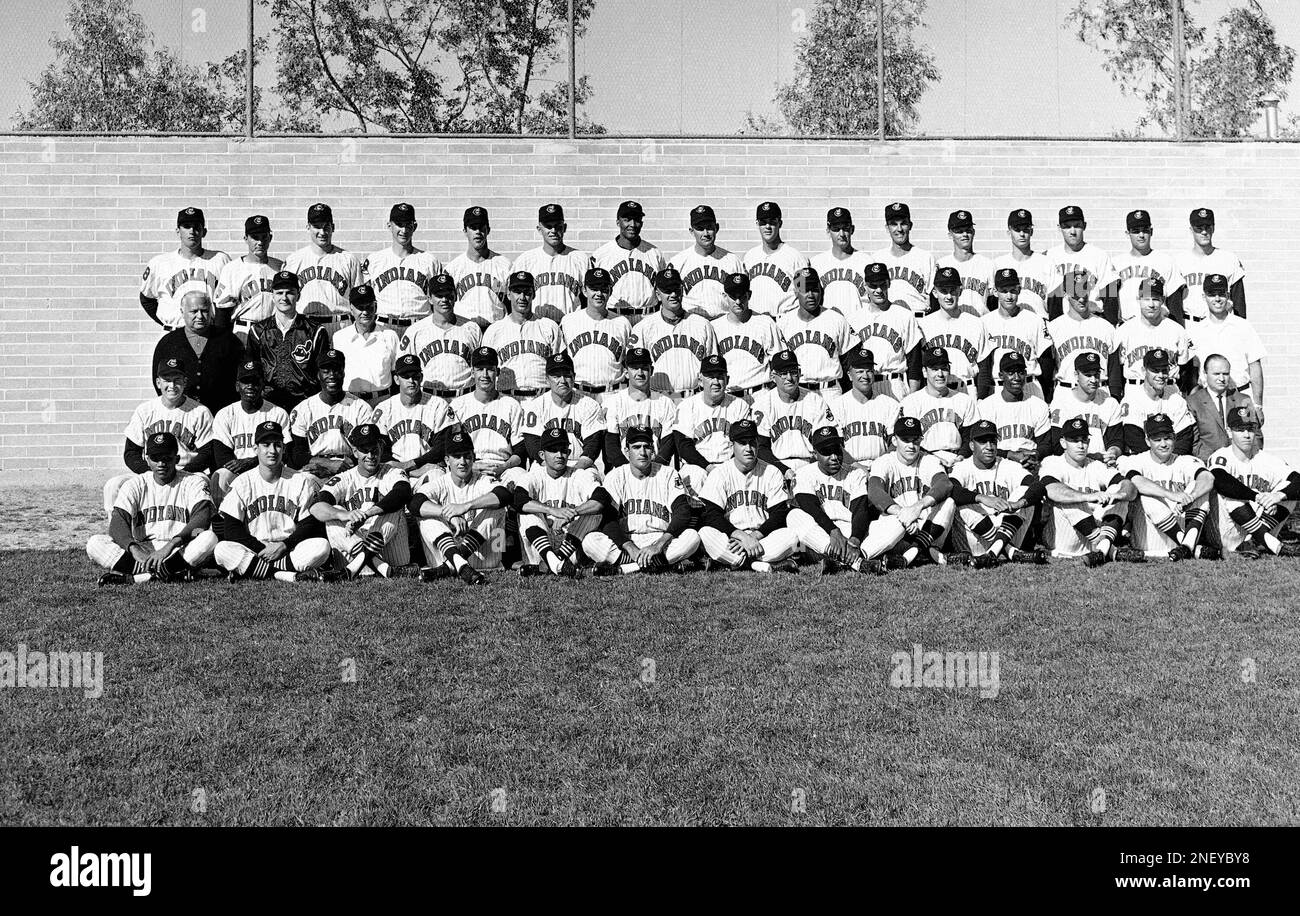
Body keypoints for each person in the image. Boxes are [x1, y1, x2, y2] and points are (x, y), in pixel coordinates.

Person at [88, 432, 218, 586]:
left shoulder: (193, 481)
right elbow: (117, 524)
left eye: (166, 458)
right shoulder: (135, 484)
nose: (161, 463)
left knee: (209, 538)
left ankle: (135, 577)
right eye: (156, 458)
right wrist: (134, 549)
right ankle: (173, 573)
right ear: (147, 460)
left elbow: (202, 518)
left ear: (176, 459)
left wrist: (170, 546)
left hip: (178, 550)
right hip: (143, 551)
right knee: (94, 543)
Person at [212, 421, 333, 582]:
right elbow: (231, 529)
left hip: (289, 547)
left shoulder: (300, 480)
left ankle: (253, 570)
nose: (272, 450)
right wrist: (264, 549)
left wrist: (283, 546)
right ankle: (285, 574)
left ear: (283, 448)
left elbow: (309, 524)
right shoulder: (242, 482)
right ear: (256, 449)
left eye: (277, 445)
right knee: (222, 549)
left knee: (321, 546)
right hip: (256, 549)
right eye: (266, 445)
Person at [582, 426, 702, 575]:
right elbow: (608, 519)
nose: (642, 452)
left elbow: (682, 512)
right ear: (627, 452)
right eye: (636, 447)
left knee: (692, 537)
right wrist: (630, 547)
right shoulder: (616, 476)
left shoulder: (668, 473)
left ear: (653, 451)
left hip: (660, 539)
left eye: (647, 447)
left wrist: (658, 546)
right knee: (590, 541)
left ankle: (623, 569)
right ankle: (660, 565)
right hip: (626, 541)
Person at [104, 358, 214, 515]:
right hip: (152, 471)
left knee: (202, 482)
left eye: (177, 380)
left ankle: (196, 532)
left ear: (185, 382)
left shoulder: (199, 412)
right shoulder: (145, 410)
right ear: (158, 382)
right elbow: (131, 453)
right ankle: (117, 530)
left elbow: (208, 453)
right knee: (113, 485)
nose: (172, 386)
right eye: (167, 380)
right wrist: (148, 472)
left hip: (187, 472)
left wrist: (182, 472)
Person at [787, 426, 901, 575]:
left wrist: (854, 540)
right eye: (826, 452)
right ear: (815, 454)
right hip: (821, 533)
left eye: (836, 450)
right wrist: (833, 531)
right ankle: (857, 563)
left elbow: (860, 509)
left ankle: (847, 559)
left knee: (898, 521)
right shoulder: (803, 473)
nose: (834, 457)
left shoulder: (855, 473)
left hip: (851, 530)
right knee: (794, 516)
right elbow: (811, 508)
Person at [309, 423, 414, 579]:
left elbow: (403, 493)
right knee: (333, 511)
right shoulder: (344, 478)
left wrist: (367, 514)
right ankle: (381, 567)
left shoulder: (393, 472)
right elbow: (316, 507)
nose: (370, 456)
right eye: (365, 450)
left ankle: (354, 569)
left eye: (374, 449)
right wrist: (344, 515)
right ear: (355, 451)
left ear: (381, 447)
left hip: (389, 550)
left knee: (394, 507)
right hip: (353, 547)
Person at [697, 419, 800, 573]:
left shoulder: (772, 472)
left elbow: (779, 514)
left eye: (752, 443)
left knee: (791, 536)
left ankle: (733, 562)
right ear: (732, 446)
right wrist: (741, 537)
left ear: (758, 444)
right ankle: (756, 564)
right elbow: (711, 514)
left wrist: (754, 537)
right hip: (731, 537)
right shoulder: (720, 473)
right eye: (742, 443)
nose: (748, 448)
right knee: (705, 533)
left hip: (762, 537)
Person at [409, 431, 513, 583]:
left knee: (496, 508)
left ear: (474, 458)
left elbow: (505, 495)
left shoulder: (483, 481)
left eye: (467, 456)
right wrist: (448, 514)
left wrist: (466, 506)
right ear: (446, 460)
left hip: (486, 560)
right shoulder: (440, 483)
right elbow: (414, 503)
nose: (462, 461)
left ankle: (449, 566)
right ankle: (461, 565)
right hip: (445, 554)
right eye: (456, 456)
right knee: (425, 515)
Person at [1038, 416, 1136, 566]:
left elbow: (1129, 486)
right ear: (1063, 442)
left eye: (1084, 440)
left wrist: (1119, 494)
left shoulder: (1095, 465)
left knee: (1118, 490)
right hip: (1062, 536)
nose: (1080, 445)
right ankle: (1111, 551)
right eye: (1074, 440)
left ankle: (1101, 551)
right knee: (1070, 497)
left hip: (1094, 533)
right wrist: (1089, 497)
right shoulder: (1052, 462)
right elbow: (1052, 490)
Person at [1119, 413, 1216, 561]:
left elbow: (1208, 478)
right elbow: (1136, 481)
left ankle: (1186, 547)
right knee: (1146, 494)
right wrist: (1171, 494)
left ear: (1175, 437)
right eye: (1157, 440)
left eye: (1167, 438)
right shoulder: (1136, 461)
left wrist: (1191, 496)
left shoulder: (1185, 461)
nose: (1163, 444)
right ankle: (1189, 547)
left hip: (1182, 524)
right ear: (1147, 440)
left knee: (1198, 487)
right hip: (1149, 538)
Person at [948, 420, 1046, 566]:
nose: (989, 447)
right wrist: (982, 498)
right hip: (973, 540)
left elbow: (1037, 486)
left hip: (1006, 530)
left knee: (1024, 493)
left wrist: (1018, 504)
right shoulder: (962, 467)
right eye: (982, 441)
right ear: (971, 445)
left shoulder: (1007, 465)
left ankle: (993, 552)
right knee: (958, 502)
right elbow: (951, 489)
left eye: (992, 441)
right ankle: (1010, 551)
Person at [1207, 406, 1300, 559]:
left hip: (1258, 524)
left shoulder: (1266, 458)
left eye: (1250, 429)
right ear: (1229, 432)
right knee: (1231, 494)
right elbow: (1220, 480)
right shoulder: (1222, 455)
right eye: (1240, 429)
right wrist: (1258, 497)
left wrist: (1277, 496)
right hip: (1228, 532)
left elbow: (1297, 480)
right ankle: (1272, 544)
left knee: (1287, 492)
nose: (1246, 435)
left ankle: (1253, 541)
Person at [513, 427, 606, 577]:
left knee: (594, 512)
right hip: (542, 545)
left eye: (563, 450)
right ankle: (554, 562)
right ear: (542, 455)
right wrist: (552, 510)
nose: (559, 455)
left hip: (570, 543)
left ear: (569, 453)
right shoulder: (534, 475)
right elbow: (518, 500)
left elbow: (602, 498)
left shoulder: (579, 475)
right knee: (527, 512)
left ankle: (552, 565)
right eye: (553, 450)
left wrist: (572, 513)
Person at [867, 416, 956, 567]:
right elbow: (874, 492)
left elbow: (944, 484)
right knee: (895, 525)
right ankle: (924, 553)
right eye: (905, 440)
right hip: (895, 525)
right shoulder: (883, 461)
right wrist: (903, 514)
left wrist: (917, 507)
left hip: (925, 528)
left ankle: (914, 551)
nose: (911, 445)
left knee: (949, 503)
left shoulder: (928, 460)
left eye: (915, 440)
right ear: (895, 441)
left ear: (921, 440)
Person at [210, 360, 291, 508]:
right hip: (237, 473)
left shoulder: (277, 413)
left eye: (255, 382)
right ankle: (222, 522)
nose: (250, 386)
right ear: (237, 386)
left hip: (270, 470)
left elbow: (285, 453)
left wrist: (251, 462)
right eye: (245, 381)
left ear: (263, 386)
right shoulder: (225, 414)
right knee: (221, 475)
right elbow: (222, 456)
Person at [245, 270, 331, 411]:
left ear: (298, 295)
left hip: (306, 403)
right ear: (272, 295)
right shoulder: (258, 330)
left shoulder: (315, 331)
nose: (284, 298)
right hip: (269, 404)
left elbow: (322, 371)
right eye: (279, 293)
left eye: (289, 292)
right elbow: (252, 371)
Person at [673, 354, 754, 499]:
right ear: (700, 380)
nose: (716, 382)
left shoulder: (739, 405)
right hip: (697, 466)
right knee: (695, 477)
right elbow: (683, 446)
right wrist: (708, 467)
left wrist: (727, 469)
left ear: (727, 380)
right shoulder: (687, 406)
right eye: (710, 376)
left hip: (729, 465)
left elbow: (744, 443)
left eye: (720, 376)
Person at [287, 348, 375, 479]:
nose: (332, 375)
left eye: (336, 370)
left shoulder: (361, 408)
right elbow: (296, 454)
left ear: (344, 373)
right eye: (326, 371)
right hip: (313, 469)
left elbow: (368, 448)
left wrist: (345, 464)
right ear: (318, 375)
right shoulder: (303, 409)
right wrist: (325, 463)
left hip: (351, 468)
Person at [630, 266, 716, 399]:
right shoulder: (643, 328)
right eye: (667, 291)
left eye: (676, 289)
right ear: (658, 294)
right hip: (657, 398)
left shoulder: (703, 325)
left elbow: (713, 367)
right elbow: (634, 371)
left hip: (694, 397)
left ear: (682, 290)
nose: (673, 295)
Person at [151, 291, 243, 416]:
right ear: (182, 312)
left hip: (220, 415)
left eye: (204, 310)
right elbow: (159, 381)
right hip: (181, 414)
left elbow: (240, 378)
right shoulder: (168, 343)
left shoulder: (229, 341)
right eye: (194, 311)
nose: (200, 316)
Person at [139, 206, 229, 331]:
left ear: (204, 231)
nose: (192, 231)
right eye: (186, 226)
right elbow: (146, 299)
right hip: (174, 331)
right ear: (178, 231)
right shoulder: (159, 263)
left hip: (209, 333)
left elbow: (229, 301)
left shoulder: (220, 260)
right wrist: (167, 320)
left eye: (196, 227)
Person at [372, 354, 459, 479]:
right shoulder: (384, 409)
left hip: (427, 468)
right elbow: (380, 450)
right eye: (406, 377)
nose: (411, 381)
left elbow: (442, 447)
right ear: (396, 379)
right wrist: (408, 470)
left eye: (415, 376)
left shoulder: (438, 405)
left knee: (436, 476)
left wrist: (411, 464)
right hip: (392, 470)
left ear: (421, 377)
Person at [750, 349, 834, 479]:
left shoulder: (815, 401)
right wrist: (784, 470)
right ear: (773, 376)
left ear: (799, 373)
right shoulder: (762, 405)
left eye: (793, 372)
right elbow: (761, 448)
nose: (789, 378)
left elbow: (824, 442)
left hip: (810, 465)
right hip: (775, 467)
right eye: (783, 373)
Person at [448, 346, 527, 482]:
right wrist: (471, 466)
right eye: (480, 369)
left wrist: (504, 467)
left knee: (521, 477)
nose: (485, 375)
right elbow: (448, 450)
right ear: (472, 372)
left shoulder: (511, 405)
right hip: (469, 466)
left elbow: (520, 450)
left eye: (490, 369)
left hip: (503, 466)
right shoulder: (457, 406)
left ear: (498, 372)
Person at [847, 262, 925, 401]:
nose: (878, 290)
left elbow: (914, 361)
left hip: (895, 383)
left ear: (889, 283)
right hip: (864, 385)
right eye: (873, 286)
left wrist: (913, 397)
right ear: (865, 287)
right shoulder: (855, 319)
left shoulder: (904, 315)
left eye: (882, 284)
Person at [399, 272, 482, 399]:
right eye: (439, 295)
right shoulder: (414, 331)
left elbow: (481, 368)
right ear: (430, 298)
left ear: (455, 296)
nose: (444, 300)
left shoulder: (472, 328)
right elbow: (404, 371)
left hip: (465, 397)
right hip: (429, 398)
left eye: (448, 295)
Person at [483, 270, 564, 398]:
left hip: (542, 397)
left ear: (533, 295)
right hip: (507, 397)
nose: (522, 297)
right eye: (517, 292)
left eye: (527, 293)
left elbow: (560, 368)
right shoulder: (494, 330)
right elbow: (485, 371)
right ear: (508, 294)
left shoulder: (548, 326)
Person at [363, 202, 443, 330]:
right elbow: (364, 299)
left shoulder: (429, 260)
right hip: (384, 325)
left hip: (420, 325)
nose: (404, 230)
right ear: (389, 225)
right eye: (399, 225)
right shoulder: (374, 260)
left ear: (414, 226)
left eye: (408, 225)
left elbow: (438, 300)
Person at [1187, 274, 1264, 406]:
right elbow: (1192, 374)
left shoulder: (1243, 326)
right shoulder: (1195, 331)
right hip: (1208, 402)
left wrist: (1258, 405)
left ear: (1228, 296)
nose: (1217, 299)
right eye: (1211, 294)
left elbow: (1255, 366)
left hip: (1241, 398)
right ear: (1204, 297)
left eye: (1221, 294)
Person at [284, 202, 365, 328]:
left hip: (340, 324)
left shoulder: (349, 259)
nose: (322, 232)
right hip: (305, 325)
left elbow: (360, 299)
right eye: (317, 227)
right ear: (308, 227)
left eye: (326, 226)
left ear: (333, 227)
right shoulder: (294, 260)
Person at [519, 352, 603, 472]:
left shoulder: (589, 405)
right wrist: (550, 467)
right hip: (545, 465)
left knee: (589, 479)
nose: (562, 380)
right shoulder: (536, 406)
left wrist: (576, 470)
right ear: (547, 379)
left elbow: (593, 445)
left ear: (574, 377)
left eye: (567, 375)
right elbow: (532, 443)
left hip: (580, 464)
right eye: (556, 376)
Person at [980, 267, 1055, 401]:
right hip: (997, 387)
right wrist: (982, 396)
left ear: (1019, 290)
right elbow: (984, 366)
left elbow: (1046, 361)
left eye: (1013, 291)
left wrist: (1046, 392)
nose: (1009, 296)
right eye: (1004, 291)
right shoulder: (985, 322)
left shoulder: (1034, 320)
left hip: (1029, 385)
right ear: (995, 292)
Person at [511, 203, 592, 325]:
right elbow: (511, 298)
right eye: (548, 226)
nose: (553, 231)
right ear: (539, 229)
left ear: (564, 228)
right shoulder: (525, 260)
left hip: (571, 325)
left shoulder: (580, 258)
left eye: (557, 226)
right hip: (535, 326)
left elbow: (589, 298)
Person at [900, 346, 979, 471]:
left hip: (958, 460)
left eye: (944, 369)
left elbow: (970, 437)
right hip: (923, 460)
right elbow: (907, 441)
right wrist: (932, 458)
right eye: (935, 369)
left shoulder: (964, 400)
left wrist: (961, 456)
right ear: (925, 372)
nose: (940, 374)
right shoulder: (911, 402)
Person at [777, 266, 854, 393]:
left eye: (815, 290)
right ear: (796, 292)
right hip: (798, 390)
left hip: (830, 390)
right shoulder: (784, 323)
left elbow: (849, 361)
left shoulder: (837, 319)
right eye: (805, 290)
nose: (811, 295)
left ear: (821, 290)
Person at [560, 267, 632, 400]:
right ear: (584, 290)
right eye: (594, 289)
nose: (599, 294)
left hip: (612, 394)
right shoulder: (568, 321)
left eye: (604, 289)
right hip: (578, 393)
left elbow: (630, 363)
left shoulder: (622, 323)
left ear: (610, 291)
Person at [1115, 278, 1194, 398]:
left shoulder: (1177, 330)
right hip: (1135, 390)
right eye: (1146, 299)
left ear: (1162, 300)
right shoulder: (1124, 330)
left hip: (1169, 391)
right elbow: (1118, 368)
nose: (1151, 305)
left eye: (1155, 299)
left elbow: (1184, 367)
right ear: (1138, 299)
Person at [1047, 269, 1121, 394]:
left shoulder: (1106, 326)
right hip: (1067, 390)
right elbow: (1048, 368)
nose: (1081, 299)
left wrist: (1114, 395)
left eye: (1084, 292)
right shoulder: (1053, 327)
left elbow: (1114, 369)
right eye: (1075, 294)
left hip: (1100, 391)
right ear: (1065, 294)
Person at [601, 347, 677, 469]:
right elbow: (611, 446)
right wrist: (628, 472)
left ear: (651, 370)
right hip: (623, 469)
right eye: (635, 368)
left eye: (644, 368)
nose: (640, 373)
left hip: (656, 469)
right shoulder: (613, 403)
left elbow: (668, 445)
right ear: (626, 372)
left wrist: (655, 469)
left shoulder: (665, 403)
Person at [592, 200, 665, 326]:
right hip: (614, 318)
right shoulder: (601, 254)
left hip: (648, 318)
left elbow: (664, 289)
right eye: (627, 219)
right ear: (618, 222)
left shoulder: (655, 253)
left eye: (636, 220)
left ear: (641, 223)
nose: (632, 224)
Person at [712, 273, 785, 399]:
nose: (738, 301)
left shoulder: (765, 323)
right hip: (728, 397)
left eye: (742, 296)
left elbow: (780, 361)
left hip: (760, 394)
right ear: (725, 297)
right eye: (733, 297)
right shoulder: (714, 327)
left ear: (749, 295)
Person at [976, 353, 1051, 473]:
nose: (1016, 377)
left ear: (1026, 374)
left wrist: (1035, 454)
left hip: (1030, 465)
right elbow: (981, 447)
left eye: (1020, 372)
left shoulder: (1038, 405)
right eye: (1010, 373)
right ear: (1001, 375)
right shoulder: (986, 406)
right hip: (998, 465)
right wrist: (1010, 455)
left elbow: (1046, 444)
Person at [669, 204, 745, 321]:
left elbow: (744, 297)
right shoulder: (678, 261)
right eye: (700, 228)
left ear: (717, 228)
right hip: (691, 322)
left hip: (723, 322)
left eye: (709, 227)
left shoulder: (732, 260)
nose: (705, 233)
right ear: (691, 231)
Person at [829, 347, 901, 470]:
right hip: (849, 467)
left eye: (869, 371)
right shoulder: (837, 406)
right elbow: (836, 446)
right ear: (849, 375)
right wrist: (856, 466)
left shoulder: (890, 404)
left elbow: (895, 443)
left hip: (883, 467)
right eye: (860, 371)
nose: (865, 376)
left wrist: (881, 466)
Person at [919, 266, 988, 393]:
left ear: (960, 291)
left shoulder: (976, 323)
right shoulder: (923, 325)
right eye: (944, 291)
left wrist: (981, 397)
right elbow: (919, 366)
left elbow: (984, 366)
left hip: (966, 388)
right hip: (935, 391)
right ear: (935, 293)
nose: (949, 296)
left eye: (953, 291)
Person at [1047, 352, 1124, 466]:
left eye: (1096, 374)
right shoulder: (1061, 403)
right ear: (1076, 375)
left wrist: (1113, 452)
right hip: (1071, 465)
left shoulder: (1110, 403)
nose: (1093, 380)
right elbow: (1057, 444)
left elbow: (1116, 440)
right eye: (1088, 375)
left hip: (1103, 463)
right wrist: (1088, 457)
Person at [1044, 205, 1116, 323]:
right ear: (1059, 228)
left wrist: (1111, 325)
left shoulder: (1099, 255)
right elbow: (1050, 296)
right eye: (1067, 227)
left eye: (1077, 226)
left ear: (1084, 226)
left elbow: (1110, 294)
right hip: (1061, 322)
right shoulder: (1050, 256)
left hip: (1093, 320)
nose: (1072, 231)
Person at [1113, 209, 1187, 324]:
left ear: (1151, 231)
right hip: (1127, 325)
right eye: (1136, 231)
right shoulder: (1116, 263)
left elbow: (1174, 304)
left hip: (1158, 326)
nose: (1141, 235)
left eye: (1145, 230)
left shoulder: (1166, 261)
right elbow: (1109, 302)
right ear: (1127, 233)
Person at [332, 283, 400, 406]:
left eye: (369, 306)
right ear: (351, 308)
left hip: (383, 400)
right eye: (360, 307)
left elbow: (397, 375)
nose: (365, 311)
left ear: (375, 306)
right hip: (350, 401)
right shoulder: (339, 338)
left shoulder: (390, 335)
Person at [1173, 208, 1247, 320]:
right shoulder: (1179, 261)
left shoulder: (1229, 259)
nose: (1204, 232)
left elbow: (1239, 302)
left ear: (1213, 228)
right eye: (1199, 228)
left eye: (1207, 227)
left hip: (1220, 324)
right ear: (1191, 230)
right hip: (1190, 324)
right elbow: (1174, 303)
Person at [446, 206, 511, 331]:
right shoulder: (453, 268)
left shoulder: (505, 265)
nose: (478, 232)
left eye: (481, 227)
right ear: (465, 231)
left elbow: (512, 304)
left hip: (496, 329)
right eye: (473, 228)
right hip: (463, 330)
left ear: (488, 230)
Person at [214, 215, 282, 336]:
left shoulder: (280, 267)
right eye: (255, 238)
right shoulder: (232, 269)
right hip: (244, 331)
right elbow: (222, 311)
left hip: (273, 332)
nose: (260, 242)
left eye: (264, 237)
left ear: (270, 237)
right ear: (246, 238)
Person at [1118, 349, 1194, 456]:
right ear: (1144, 371)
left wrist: (1170, 460)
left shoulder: (1177, 400)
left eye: (1164, 370)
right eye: (1155, 370)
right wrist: (1155, 460)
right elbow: (1133, 438)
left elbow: (1184, 438)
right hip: (1140, 459)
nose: (1161, 375)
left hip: (1172, 459)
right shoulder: (1132, 399)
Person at [1187, 353, 1259, 461]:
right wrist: (1216, 461)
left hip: (1241, 463)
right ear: (1205, 374)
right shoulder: (1193, 402)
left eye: (1225, 374)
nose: (1221, 378)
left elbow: (1255, 435)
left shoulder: (1243, 400)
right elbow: (1194, 442)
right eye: (1216, 374)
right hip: (1209, 463)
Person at [743, 201, 809, 318]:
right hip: (756, 321)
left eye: (772, 222)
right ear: (757, 224)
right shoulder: (750, 257)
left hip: (784, 319)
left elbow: (805, 295)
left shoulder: (796, 258)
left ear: (780, 223)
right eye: (763, 222)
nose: (767, 227)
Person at [871, 202, 935, 319]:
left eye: (903, 223)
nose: (899, 229)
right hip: (887, 320)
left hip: (919, 319)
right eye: (894, 224)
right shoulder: (877, 258)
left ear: (910, 225)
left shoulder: (925, 257)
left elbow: (936, 298)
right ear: (887, 228)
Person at [811, 207, 873, 321]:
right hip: (827, 327)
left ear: (852, 229)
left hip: (860, 326)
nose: (841, 233)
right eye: (836, 229)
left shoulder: (866, 261)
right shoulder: (816, 263)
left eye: (845, 228)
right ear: (828, 230)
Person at [992, 209, 1053, 318]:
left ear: (1031, 232)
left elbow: (1055, 303)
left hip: (1040, 323)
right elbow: (992, 302)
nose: (1022, 234)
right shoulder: (998, 263)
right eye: (1017, 229)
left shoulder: (1046, 262)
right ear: (1009, 231)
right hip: (1009, 326)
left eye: (1026, 230)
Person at [937, 210, 995, 318]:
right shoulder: (942, 264)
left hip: (981, 323)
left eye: (968, 230)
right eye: (959, 231)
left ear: (973, 232)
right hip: (952, 324)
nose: (964, 234)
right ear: (950, 234)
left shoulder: (987, 264)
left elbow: (995, 302)